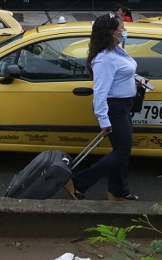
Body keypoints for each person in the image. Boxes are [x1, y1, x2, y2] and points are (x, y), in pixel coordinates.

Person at [64, 12, 139, 201]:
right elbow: (101, 91)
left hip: (124, 106)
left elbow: (121, 73)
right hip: (115, 108)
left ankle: (118, 190)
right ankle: (78, 182)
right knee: (122, 152)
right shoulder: (104, 59)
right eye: (122, 28)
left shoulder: (117, 50)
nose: (125, 30)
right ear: (112, 32)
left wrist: (136, 79)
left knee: (122, 152)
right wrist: (103, 119)